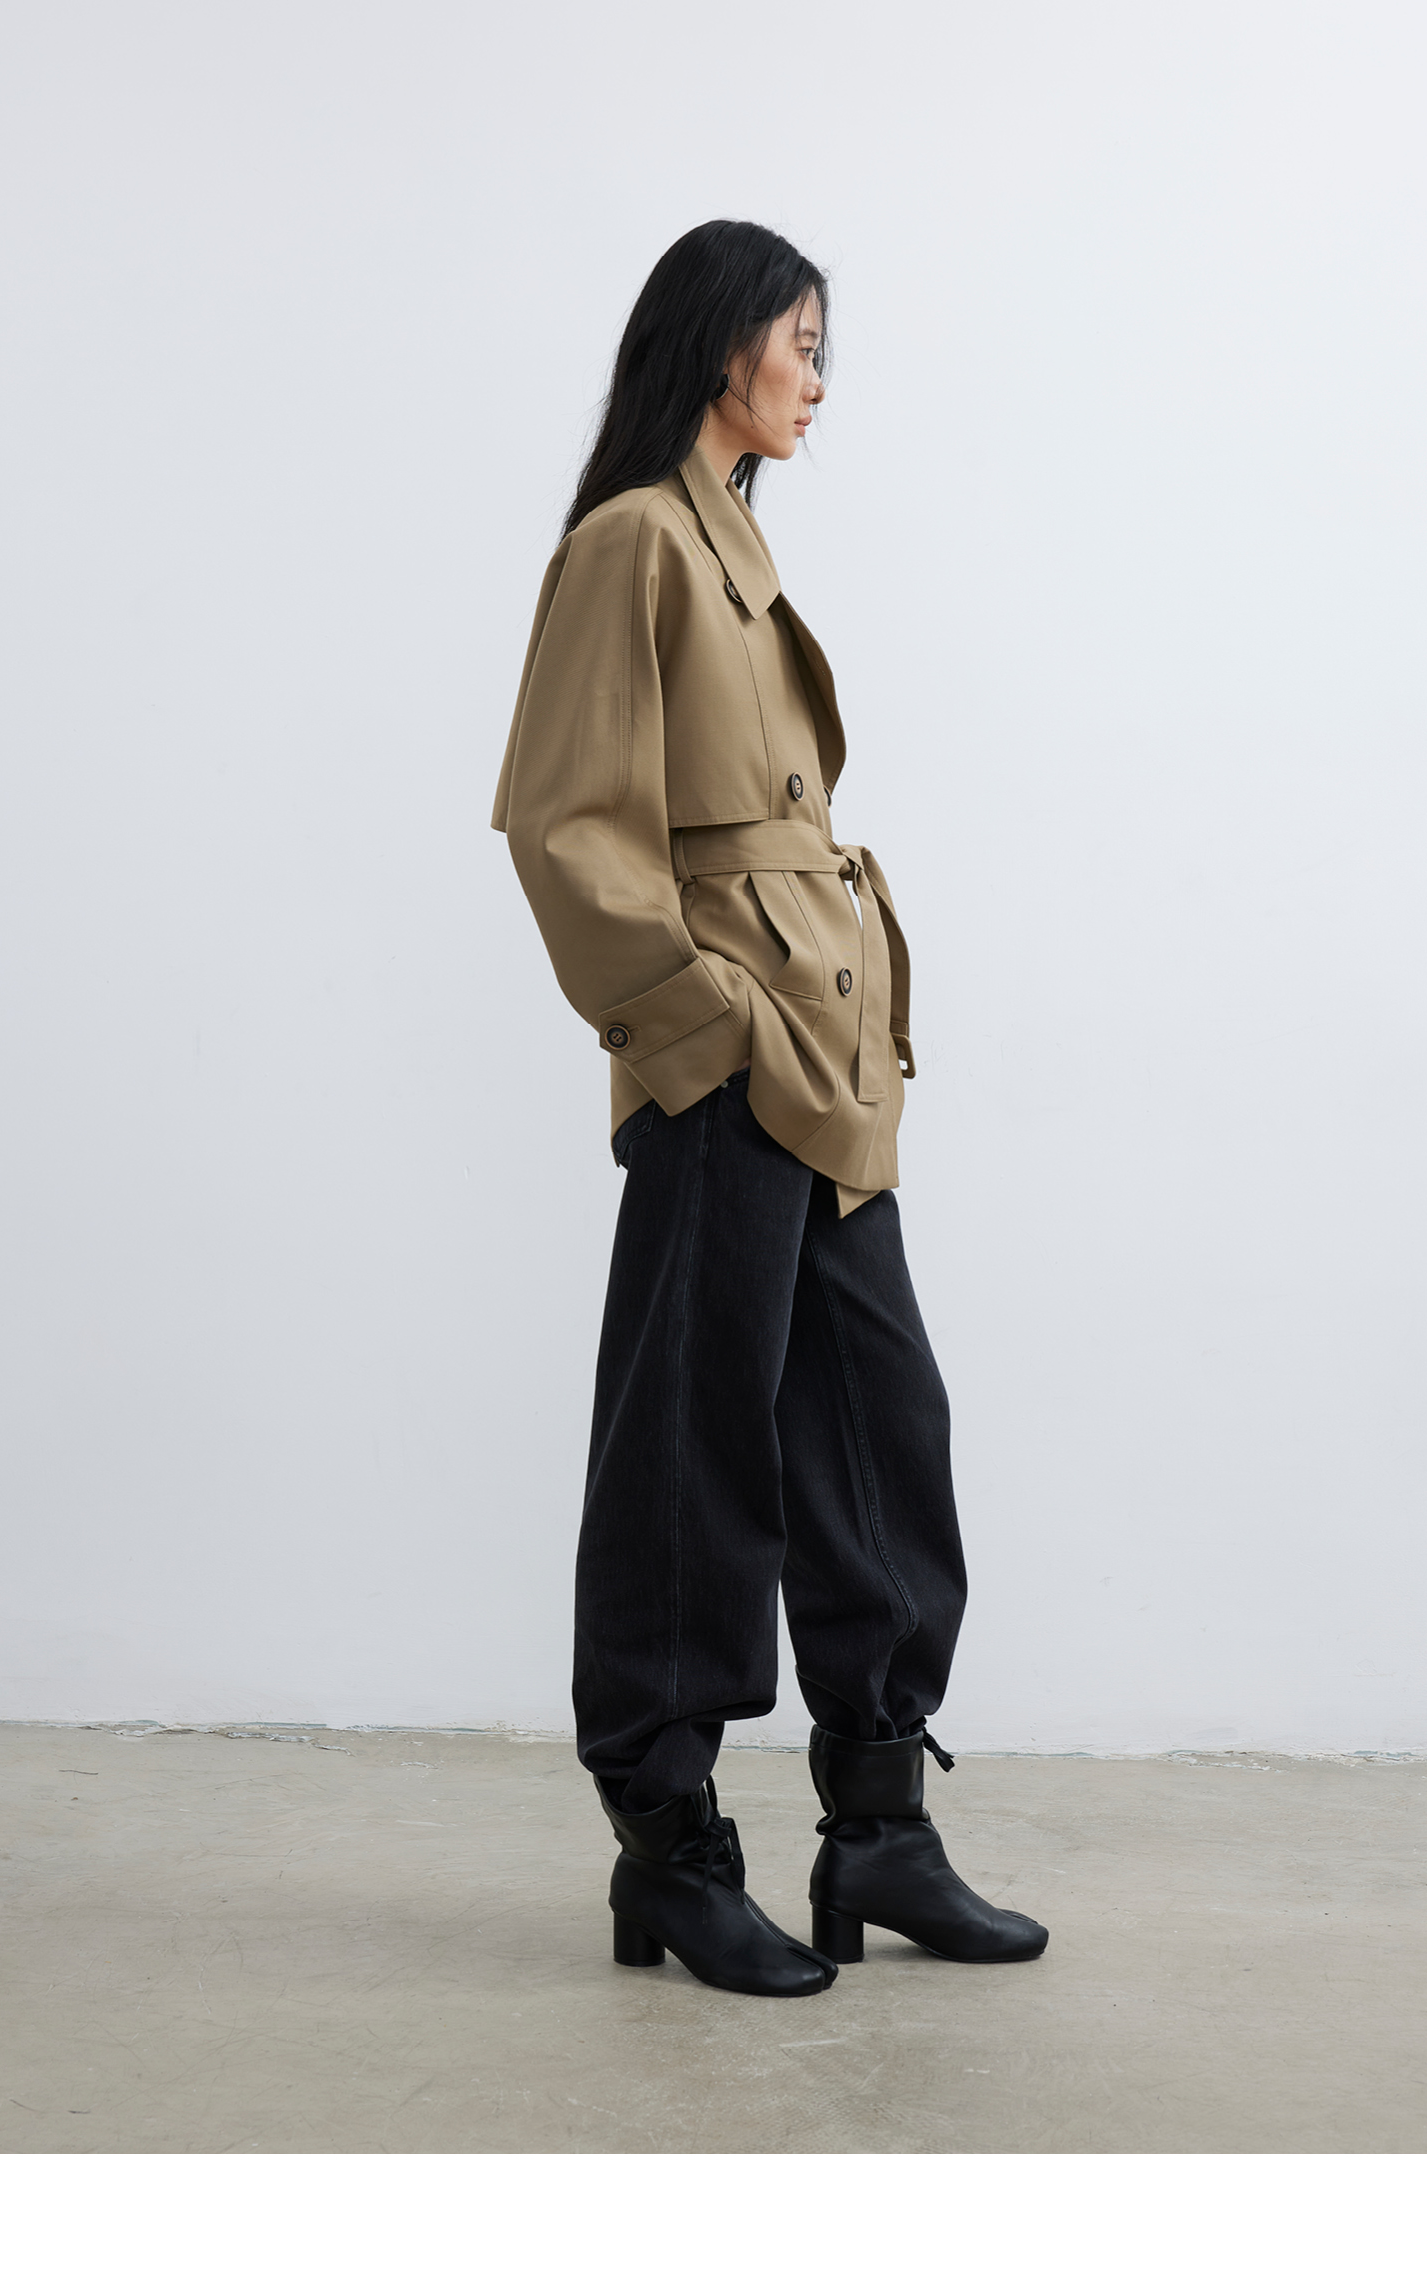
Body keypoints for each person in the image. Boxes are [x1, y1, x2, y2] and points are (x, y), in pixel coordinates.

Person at [493, 219, 1048, 1998]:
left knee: (880, 1428)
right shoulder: (634, 544)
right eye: (801, 342)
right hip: (739, 1059)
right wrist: (701, 1030)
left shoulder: (733, 541)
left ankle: (880, 1826)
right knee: (694, 1452)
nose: (819, 378)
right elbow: (567, 825)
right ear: (722, 340)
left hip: (828, 1057)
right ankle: (668, 1844)